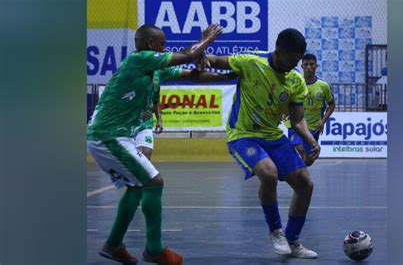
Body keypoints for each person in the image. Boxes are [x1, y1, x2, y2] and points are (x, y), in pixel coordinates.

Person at [87, 23, 223, 265]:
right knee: (153, 181)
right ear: (150, 45)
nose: (165, 48)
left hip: (120, 135)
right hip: (107, 135)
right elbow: (189, 54)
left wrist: (233, 76)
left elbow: (192, 74)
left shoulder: (155, 69)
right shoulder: (138, 59)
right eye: (162, 44)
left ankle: (113, 245)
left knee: (138, 186)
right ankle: (154, 250)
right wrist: (207, 39)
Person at [200, 28, 320, 258]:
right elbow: (214, 61)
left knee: (305, 184)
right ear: (278, 52)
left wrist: (309, 140)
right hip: (243, 134)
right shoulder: (250, 62)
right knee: (268, 173)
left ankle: (293, 241)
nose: (293, 66)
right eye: (290, 60)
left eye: (297, 61)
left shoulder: (295, 80)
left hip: (272, 135)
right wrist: (203, 46)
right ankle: (276, 231)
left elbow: (298, 120)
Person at [135, 68, 238, 160]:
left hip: (145, 124)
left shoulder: (160, 72)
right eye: (161, 46)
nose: (164, 50)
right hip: (127, 123)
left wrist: (159, 119)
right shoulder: (132, 71)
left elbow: (156, 101)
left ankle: (136, 180)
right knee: (135, 158)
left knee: (145, 156)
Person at [285, 53, 335, 166]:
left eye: (312, 64)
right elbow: (286, 100)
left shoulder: (323, 86)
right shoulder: (295, 84)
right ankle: (298, 175)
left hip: (313, 127)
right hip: (295, 124)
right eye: (306, 64)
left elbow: (331, 104)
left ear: (316, 66)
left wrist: (323, 121)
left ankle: (301, 171)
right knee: (300, 148)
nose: (309, 67)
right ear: (302, 67)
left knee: (309, 160)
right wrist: (284, 112)